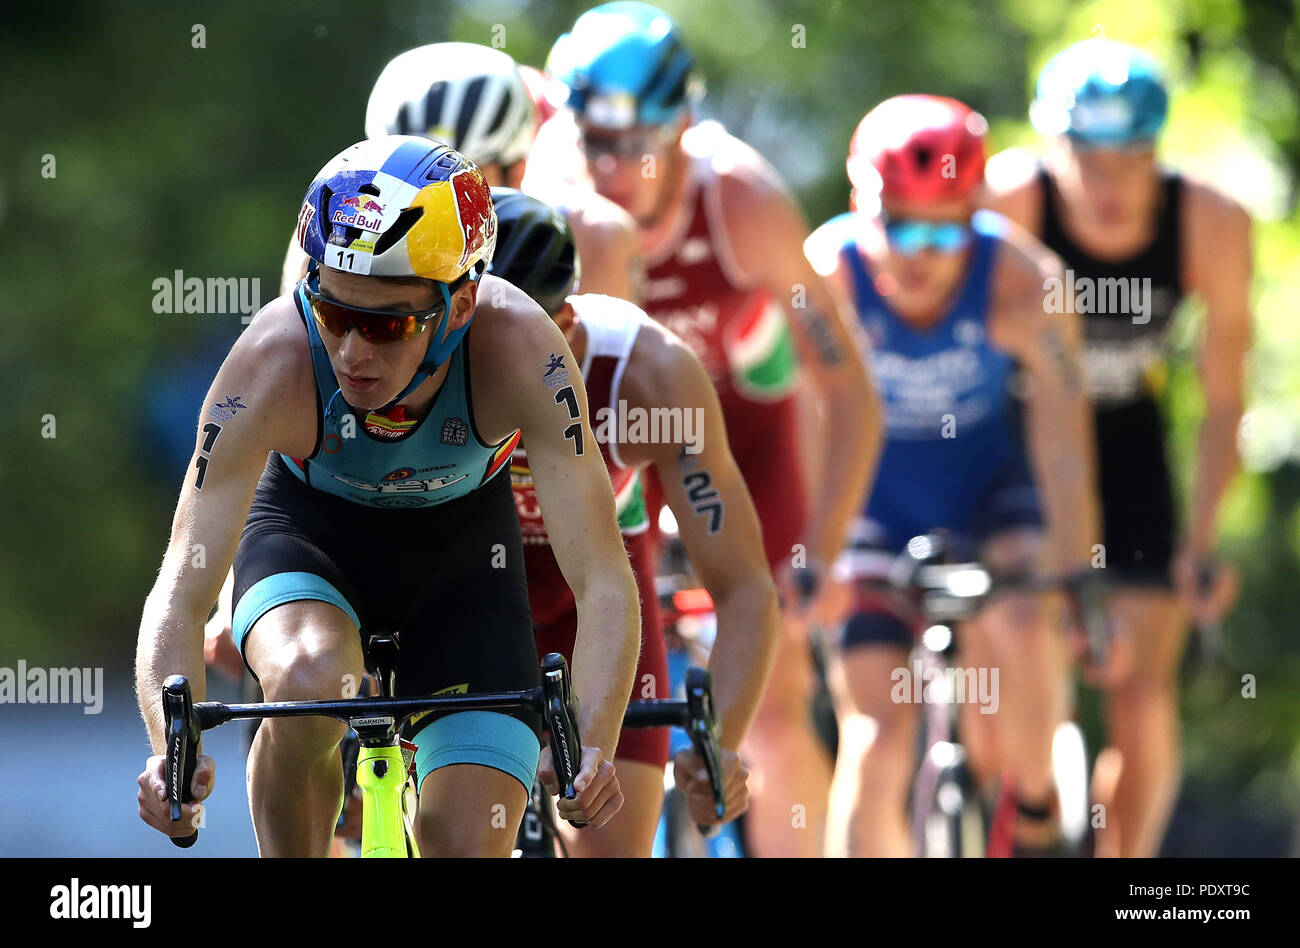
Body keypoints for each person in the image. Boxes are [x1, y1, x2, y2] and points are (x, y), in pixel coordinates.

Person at [135, 136, 641, 856]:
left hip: (467, 568)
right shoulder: (273, 359)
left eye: (386, 324)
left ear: (461, 306)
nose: (351, 352)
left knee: (463, 841)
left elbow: (601, 576)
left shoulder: (523, 349)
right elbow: (181, 588)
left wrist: (591, 745)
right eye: (335, 315)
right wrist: (170, 753)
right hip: (310, 541)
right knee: (309, 679)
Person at [528, 1, 883, 857]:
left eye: (634, 144)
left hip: (742, 434)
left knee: (776, 693)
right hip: (612, 445)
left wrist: (821, 551)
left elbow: (846, 385)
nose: (608, 166)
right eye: (592, 140)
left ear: (685, 124)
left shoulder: (745, 202)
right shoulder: (556, 191)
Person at [805, 95, 1101, 856]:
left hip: (987, 493)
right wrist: (809, 555)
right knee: (874, 731)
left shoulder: (1026, 283)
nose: (918, 253)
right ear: (855, 205)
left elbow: (1066, 444)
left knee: (1026, 621)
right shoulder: (822, 281)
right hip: (870, 503)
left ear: (979, 210)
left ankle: (1035, 816)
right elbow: (797, 431)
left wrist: (1075, 569)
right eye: (896, 224)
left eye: (945, 228)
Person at [981, 39, 1251, 857]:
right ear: (1049, 147)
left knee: (1140, 694)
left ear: (1157, 151)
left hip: (1130, 447)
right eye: (1084, 159)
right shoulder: (1014, 200)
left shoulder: (1210, 221)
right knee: (1006, 680)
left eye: (1128, 159)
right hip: (1013, 444)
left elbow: (1225, 397)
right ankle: (1003, 819)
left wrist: (1200, 541)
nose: (1106, 184)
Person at [490, 187, 781, 855]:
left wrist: (719, 747)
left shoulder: (651, 375)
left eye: (511, 339)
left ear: (563, 324)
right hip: (470, 587)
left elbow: (743, 589)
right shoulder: (414, 360)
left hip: (599, 597)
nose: (481, 366)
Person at [281, 42, 642, 304]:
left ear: (517, 172)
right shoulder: (325, 232)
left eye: (455, 185)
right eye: (402, 181)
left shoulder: (596, 238)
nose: (424, 199)